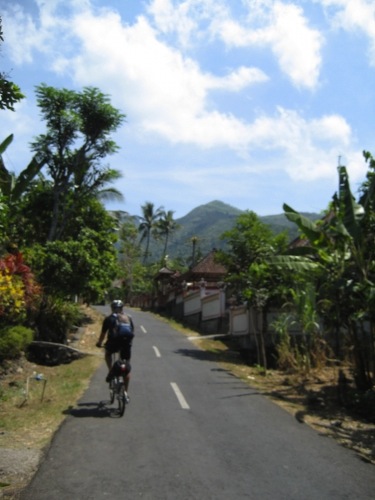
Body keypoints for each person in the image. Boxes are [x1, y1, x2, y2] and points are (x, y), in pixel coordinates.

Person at [96, 299, 134, 385]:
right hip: (126, 344)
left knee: (108, 353)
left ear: (112, 308)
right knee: (126, 368)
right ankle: (125, 394)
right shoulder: (128, 318)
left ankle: (111, 371)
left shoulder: (108, 319)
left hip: (113, 343)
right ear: (122, 308)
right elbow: (132, 332)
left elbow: (103, 334)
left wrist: (99, 343)